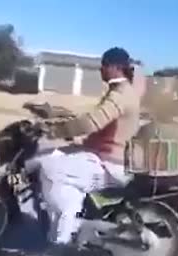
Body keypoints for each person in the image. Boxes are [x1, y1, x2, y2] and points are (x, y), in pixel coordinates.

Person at [28, 47, 142, 245]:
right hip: (102, 155)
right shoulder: (121, 91)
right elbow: (97, 120)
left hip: (107, 163)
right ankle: (63, 219)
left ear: (116, 67)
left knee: (50, 168)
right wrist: (60, 119)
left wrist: (55, 131)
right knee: (53, 154)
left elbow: (92, 122)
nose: (101, 70)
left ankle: (64, 234)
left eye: (104, 66)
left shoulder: (121, 93)